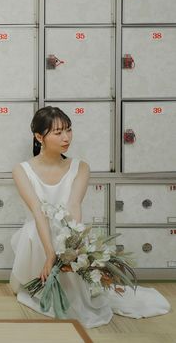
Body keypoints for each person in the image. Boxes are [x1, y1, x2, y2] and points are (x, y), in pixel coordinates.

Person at [10, 106, 170, 329]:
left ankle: (73, 292)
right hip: (37, 235)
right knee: (37, 232)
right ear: (39, 137)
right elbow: (38, 210)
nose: (66, 137)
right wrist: (50, 255)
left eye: (68, 130)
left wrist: (73, 250)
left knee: (65, 243)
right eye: (58, 132)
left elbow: (74, 206)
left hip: (69, 231)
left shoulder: (80, 167)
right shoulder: (22, 170)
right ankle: (47, 283)